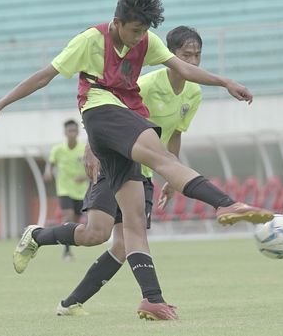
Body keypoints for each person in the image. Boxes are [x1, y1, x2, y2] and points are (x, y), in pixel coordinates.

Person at [0, 0, 274, 320]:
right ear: (117, 21)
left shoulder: (148, 41)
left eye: (144, 31)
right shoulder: (91, 40)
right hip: (100, 111)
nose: (138, 39)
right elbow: (45, 76)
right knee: (162, 158)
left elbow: (184, 69)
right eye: (134, 30)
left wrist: (225, 83)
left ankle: (151, 298)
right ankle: (226, 204)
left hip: (125, 122)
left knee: (128, 224)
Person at [56, 25, 204, 317]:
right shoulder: (147, 84)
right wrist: (91, 145)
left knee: (122, 244)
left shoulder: (194, 93)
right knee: (95, 234)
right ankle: (39, 237)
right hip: (116, 165)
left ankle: (73, 302)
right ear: (170, 55)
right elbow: (105, 112)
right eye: (187, 55)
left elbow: (174, 134)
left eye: (198, 55)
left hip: (144, 174)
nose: (193, 62)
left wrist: (172, 177)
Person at [43, 119, 88, 261]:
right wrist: (48, 172)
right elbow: (50, 164)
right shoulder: (58, 150)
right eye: (70, 131)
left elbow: (92, 169)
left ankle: (68, 246)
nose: (72, 133)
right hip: (64, 189)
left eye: (74, 130)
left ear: (78, 132)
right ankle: (67, 252)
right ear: (65, 133)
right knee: (67, 217)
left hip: (81, 191)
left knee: (74, 222)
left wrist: (85, 177)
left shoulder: (84, 149)